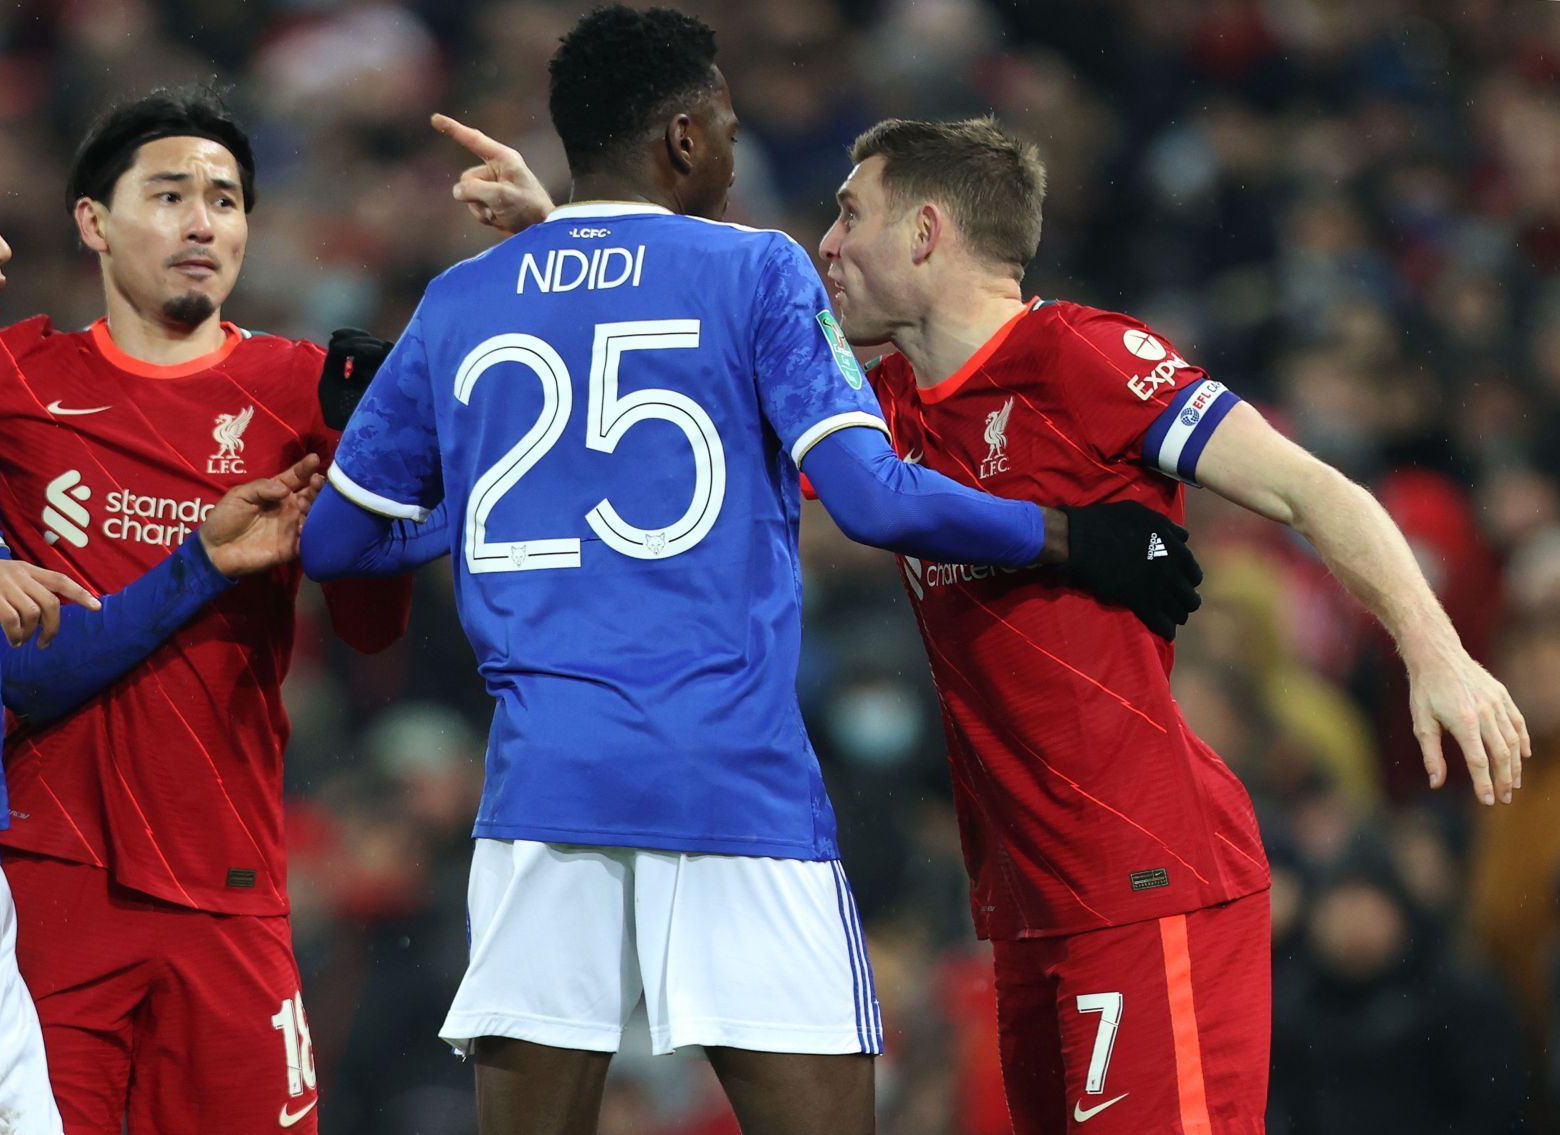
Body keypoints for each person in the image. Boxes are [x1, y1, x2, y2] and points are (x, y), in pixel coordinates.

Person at [431, 95, 1532, 1135]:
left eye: (849, 214)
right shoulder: (883, 417)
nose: (825, 242)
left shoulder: (1081, 357)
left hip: (1147, 884)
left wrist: (1439, 653)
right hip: (1025, 905)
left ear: (925, 232)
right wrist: (571, 235)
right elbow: (694, 346)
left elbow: (1313, 489)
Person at [299, 8, 1203, 1135]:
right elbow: (874, 499)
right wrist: (1078, 536)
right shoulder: (759, 270)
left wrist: (480, 508)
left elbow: (334, 544)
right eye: (724, 125)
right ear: (682, 138)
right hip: (729, 781)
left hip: (543, 792)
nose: (733, 148)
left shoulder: (461, 299)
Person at [0, 89, 413, 1135]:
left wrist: (376, 480)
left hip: (229, 875)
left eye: (228, 200)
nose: (204, 223)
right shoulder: (1, 377)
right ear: (94, 222)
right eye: (172, 194)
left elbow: (372, 630)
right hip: (46, 878)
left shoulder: (297, 392)